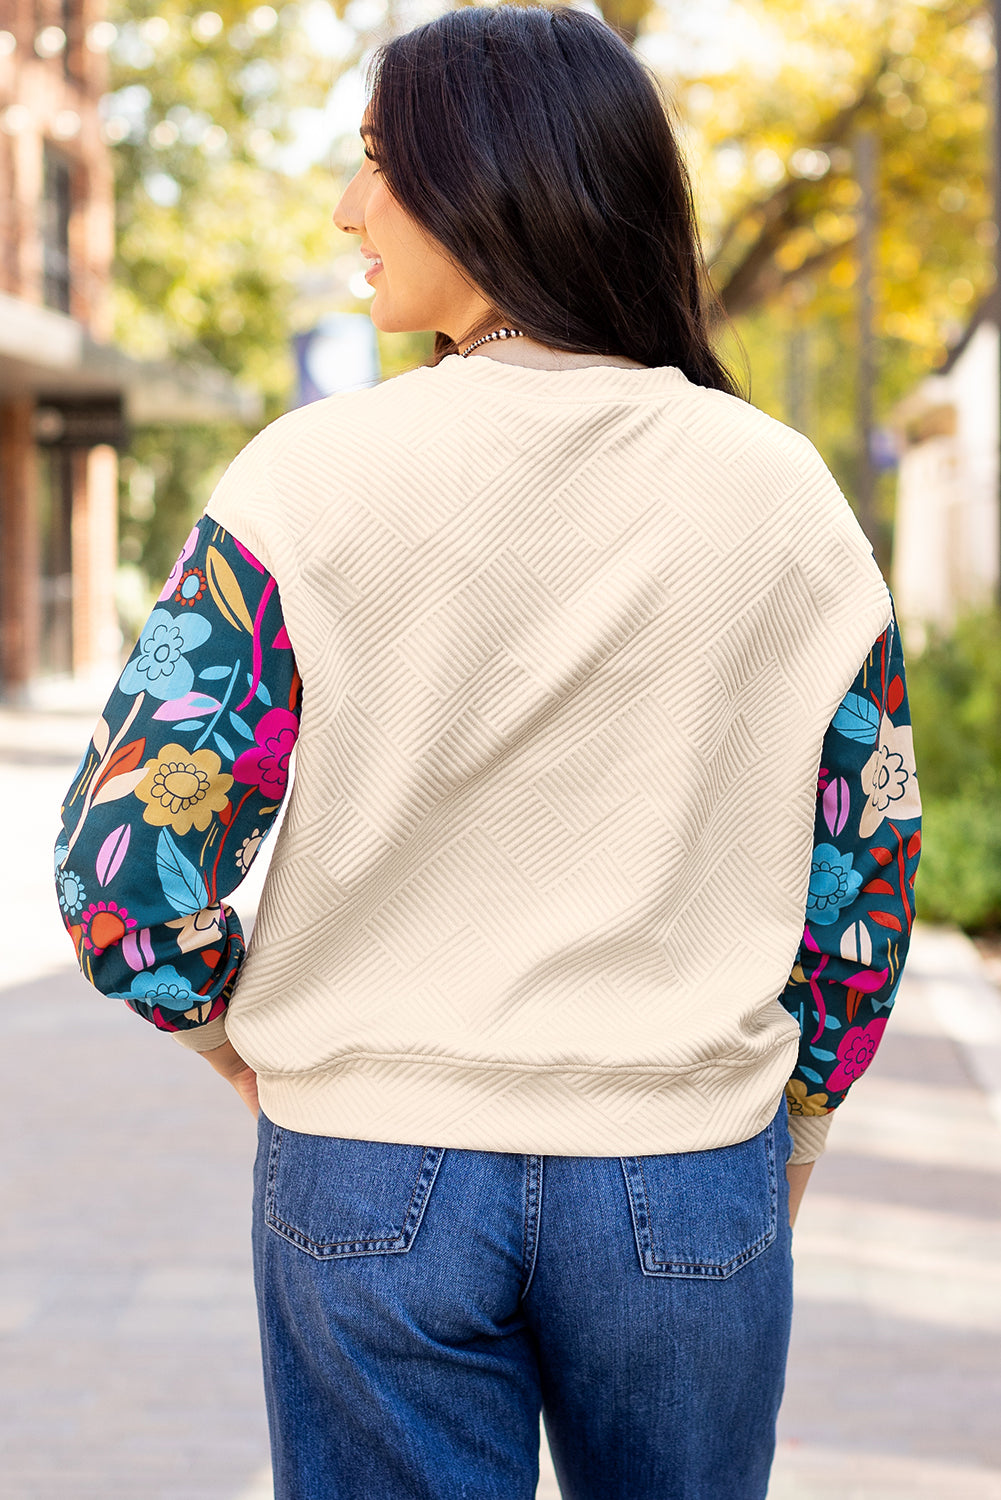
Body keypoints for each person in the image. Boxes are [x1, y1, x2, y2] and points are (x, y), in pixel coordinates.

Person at [54, 6, 922, 1497]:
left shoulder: (307, 480)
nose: (347, 206)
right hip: (684, 1175)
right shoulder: (782, 497)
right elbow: (866, 882)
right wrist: (789, 1131)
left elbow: (121, 873)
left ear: (499, 187)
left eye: (384, 162)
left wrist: (248, 1055)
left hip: (370, 1166)